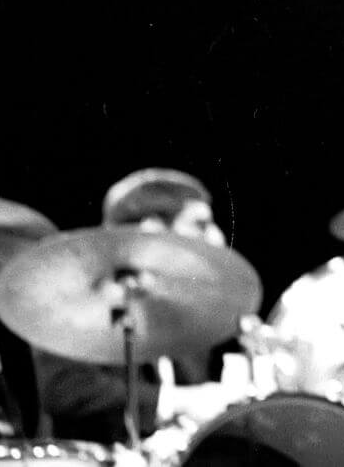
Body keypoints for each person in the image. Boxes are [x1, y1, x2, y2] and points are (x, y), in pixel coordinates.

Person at [32, 168, 242, 445]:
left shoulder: (188, 308)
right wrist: (176, 401)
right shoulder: (73, 294)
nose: (216, 239)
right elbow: (66, 390)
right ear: (152, 230)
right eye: (200, 224)